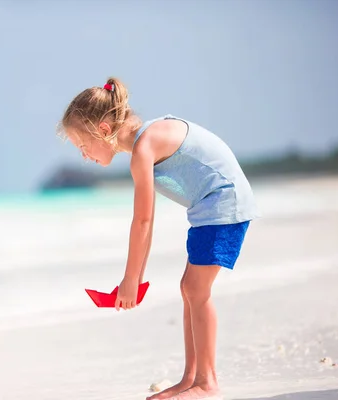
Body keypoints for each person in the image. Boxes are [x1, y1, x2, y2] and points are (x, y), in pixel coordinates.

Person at [56, 77, 259, 400]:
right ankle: (191, 378)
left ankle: (207, 383)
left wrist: (131, 279)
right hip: (209, 209)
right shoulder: (147, 139)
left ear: (104, 130)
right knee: (189, 288)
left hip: (224, 202)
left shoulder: (144, 147)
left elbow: (143, 220)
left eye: (83, 146)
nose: (84, 155)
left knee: (196, 289)